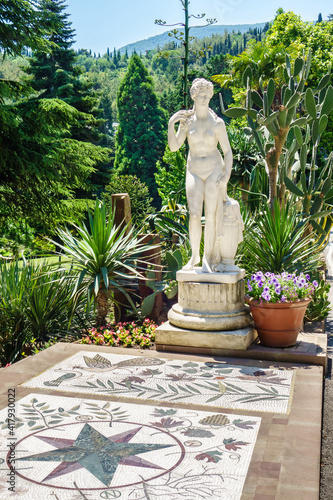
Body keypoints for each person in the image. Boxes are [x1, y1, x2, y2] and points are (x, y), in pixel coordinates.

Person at [168, 78, 243, 273]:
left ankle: (209, 259)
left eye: (207, 95)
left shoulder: (217, 123)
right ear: (193, 95)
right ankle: (194, 257)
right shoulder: (187, 122)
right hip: (193, 170)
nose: (204, 98)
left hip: (214, 170)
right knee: (194, 214)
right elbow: (174, 147)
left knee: (211, 214)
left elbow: (227, 152)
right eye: (200, 95)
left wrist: (226, 176)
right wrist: (171, 123)